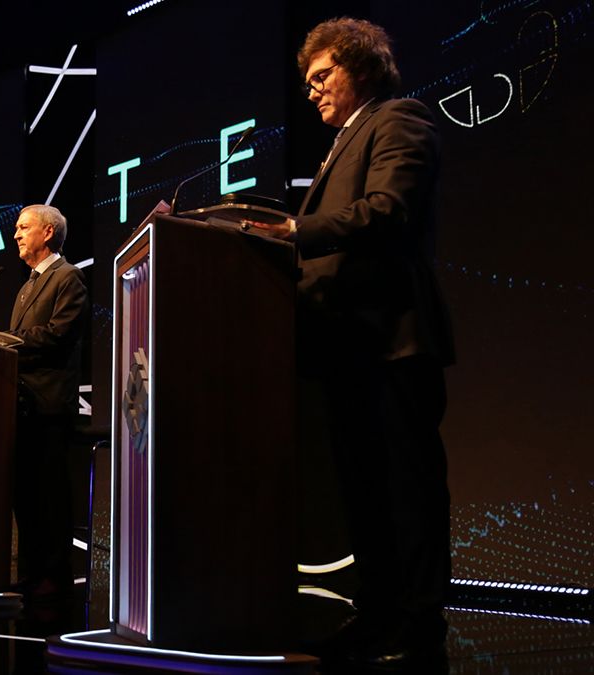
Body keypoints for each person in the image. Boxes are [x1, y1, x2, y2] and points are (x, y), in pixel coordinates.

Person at [247, 17, 455, 665]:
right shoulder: (340, 143)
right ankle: (378, 615)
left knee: (405, 487)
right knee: (363, 491)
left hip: (388, 338)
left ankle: (418, 625)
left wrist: (292, 231)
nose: (311, 92)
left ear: (361, 66)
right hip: (344, 348)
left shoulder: (399, 118)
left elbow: (387, 210)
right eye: (307, 83)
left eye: (322, 76)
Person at [0, 204, 89, 600]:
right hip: (20, 407)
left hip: (49, 406)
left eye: (23, 227)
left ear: (48, 232)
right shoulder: (25, 286)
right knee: (25, 495)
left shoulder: (67, 277)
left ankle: (55, 577)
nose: (16, 234)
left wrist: (1, 339)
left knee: (50, 496)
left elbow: (57, 336)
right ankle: (33, 572)